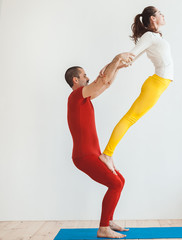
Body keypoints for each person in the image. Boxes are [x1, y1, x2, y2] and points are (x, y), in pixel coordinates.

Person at [65, 52, 134, 239]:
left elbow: (106, 83)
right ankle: (103, 227)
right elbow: (100, 83)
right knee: (115, 184)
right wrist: (117, 58)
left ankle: (108, 220)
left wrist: (116, 67)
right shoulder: (76, 97)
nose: (87, 77)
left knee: (120, 182)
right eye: (84, 75)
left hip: (94, 154)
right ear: (75, 79)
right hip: (84, 156)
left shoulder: (85, 99)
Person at [100, 6, 173, 163]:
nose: (163, 15)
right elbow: (130, 55)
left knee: (130, 118)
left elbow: (129, 61)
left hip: (158, 84)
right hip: (156, 84)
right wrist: (109, 65)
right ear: (153, 18)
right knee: (130, 118)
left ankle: (108, 153)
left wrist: (111, 65)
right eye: (160, 13)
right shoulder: (149, 37)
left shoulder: (155, 37)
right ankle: (107, 154)